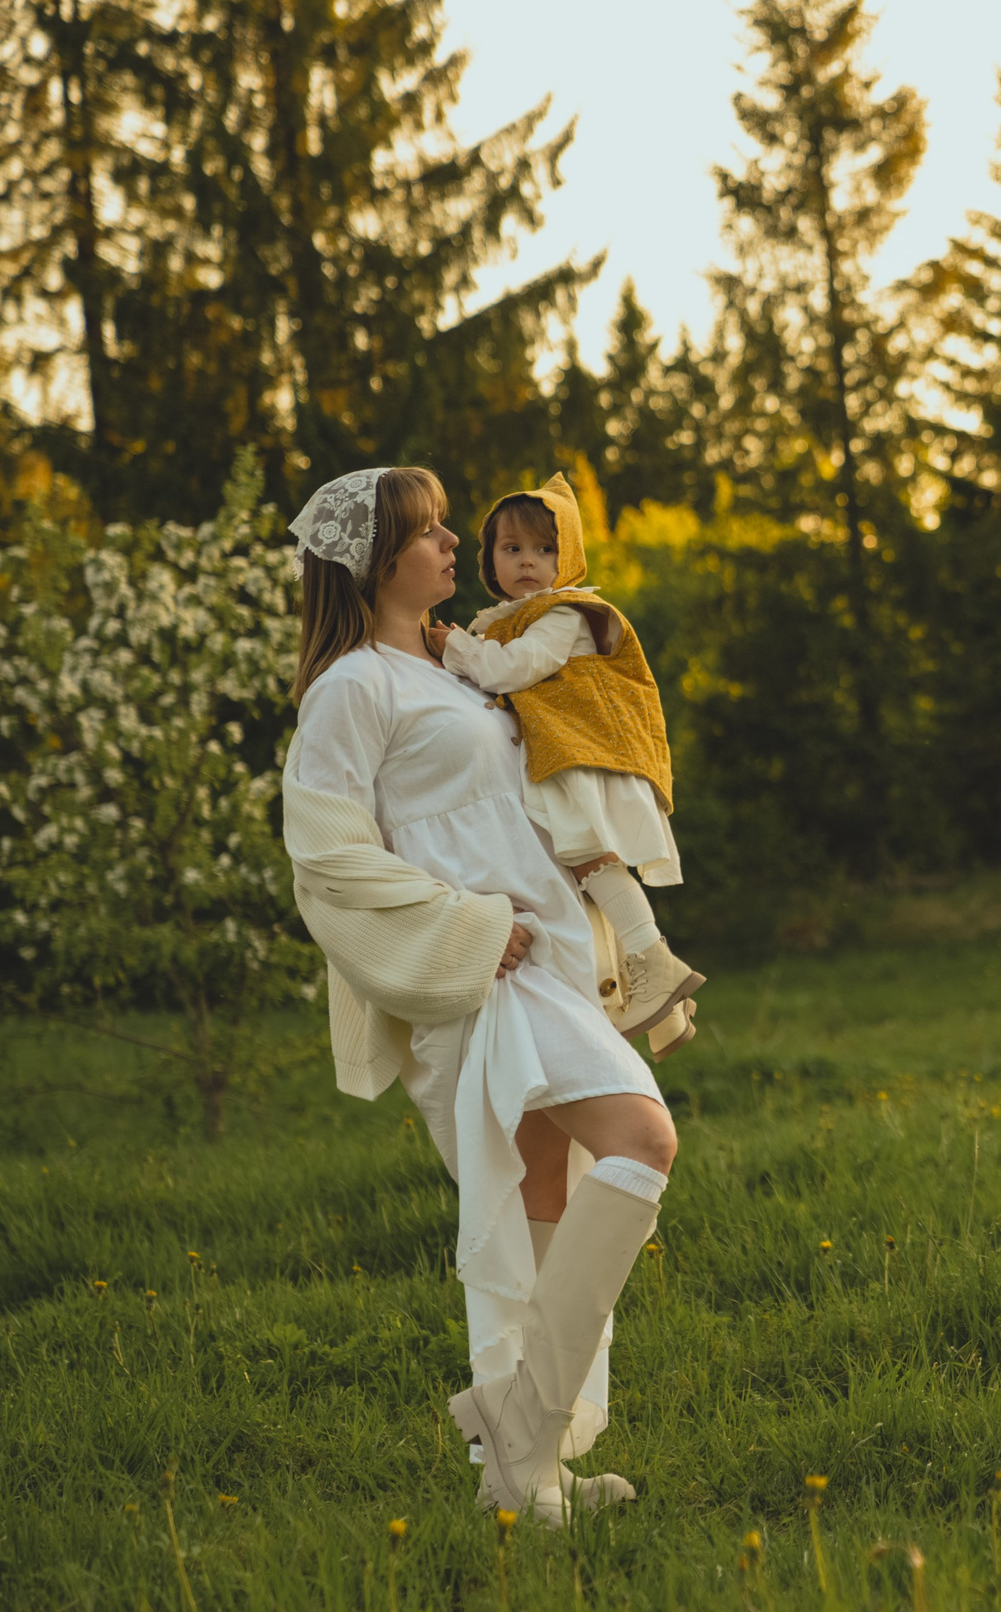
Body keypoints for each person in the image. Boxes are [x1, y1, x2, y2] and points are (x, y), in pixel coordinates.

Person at [281, 465, 684, 1523]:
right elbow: (324, 853)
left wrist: (626, 943)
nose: (454, 544)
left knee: (539, 1196)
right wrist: (465, 924)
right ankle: (516, 1429)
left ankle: (525, 1467)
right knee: (641, 1141)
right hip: (479, 971)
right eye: (430, 531)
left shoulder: (465, 669)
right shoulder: (353, 686)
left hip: (548, 957)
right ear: (377, 562)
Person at [436, 475, 703, 1045]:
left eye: (545, 549)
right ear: (490, 559)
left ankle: (654, 961)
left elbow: (512, 669)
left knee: (591, 864)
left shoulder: (566, 614)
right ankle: (663, 1004)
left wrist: (453, 648)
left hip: (582, 759)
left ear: (571, 558)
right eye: (512, 548)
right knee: (586, 877)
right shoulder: (511, 617)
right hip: (564, 757)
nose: (527, 562)